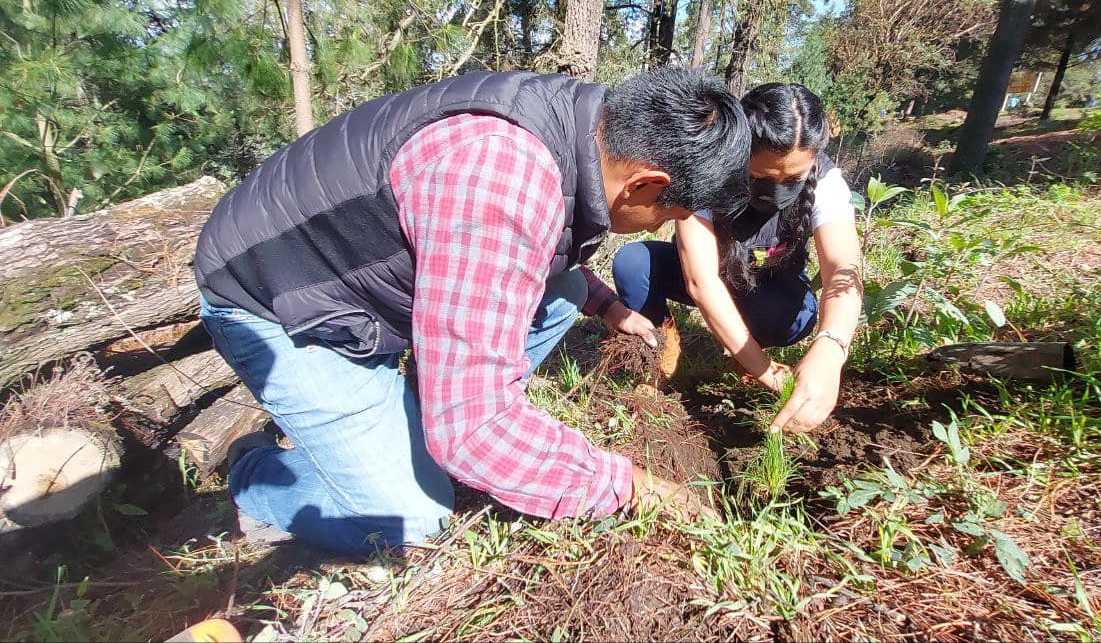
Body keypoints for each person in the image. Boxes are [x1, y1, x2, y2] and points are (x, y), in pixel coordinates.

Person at [193, 68, 749, 553]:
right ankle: (253, 472)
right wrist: (632, 487)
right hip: (279, 297)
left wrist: (607, 305)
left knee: (567, 296)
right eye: (664, 216)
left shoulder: (584, 123)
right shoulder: (502, 181)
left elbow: (539, 254)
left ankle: (417, 411)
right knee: (412, 519)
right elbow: (472, 429)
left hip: (354, 280)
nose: (656, 228)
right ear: (647, 184)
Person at [612, 82, 863, 434]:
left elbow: (843, 268)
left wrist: (832, 347)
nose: (777, 189)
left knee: (788, 317)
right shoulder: (711, 170)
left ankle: (747, 345)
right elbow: (701, 282)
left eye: (792, 178)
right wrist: (765, 371)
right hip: (715, 275)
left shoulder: (827, 182)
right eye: (760, 176)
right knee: (634, 262)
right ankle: (660, 349)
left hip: (767, 287)